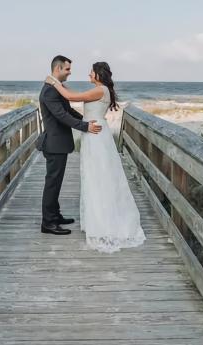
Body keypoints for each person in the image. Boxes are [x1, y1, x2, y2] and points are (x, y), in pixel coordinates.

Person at [44, 61, 145, 253]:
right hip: (93, 133)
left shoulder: (100, 90)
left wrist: (52, 80)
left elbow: (71, 96)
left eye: (91, 71)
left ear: (99, 74)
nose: (89, 74)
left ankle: (103, 222)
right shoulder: (100, 90)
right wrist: (61, 85)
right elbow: (73, 95)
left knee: (100, 176)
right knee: (94, 175)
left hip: (96, 134)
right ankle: (97, 219)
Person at [38, 55, 102, 236]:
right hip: (54, 144)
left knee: (55, 182)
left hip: (59, 143)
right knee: (52, 183)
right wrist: (85, 127)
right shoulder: (50, 91)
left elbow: (68, 110)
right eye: (67, 69)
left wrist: (86, 119)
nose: (70, 72)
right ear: (57, 69)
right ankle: (48, 223)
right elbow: (61, 116)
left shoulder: (55, 88)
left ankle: (55, 215)